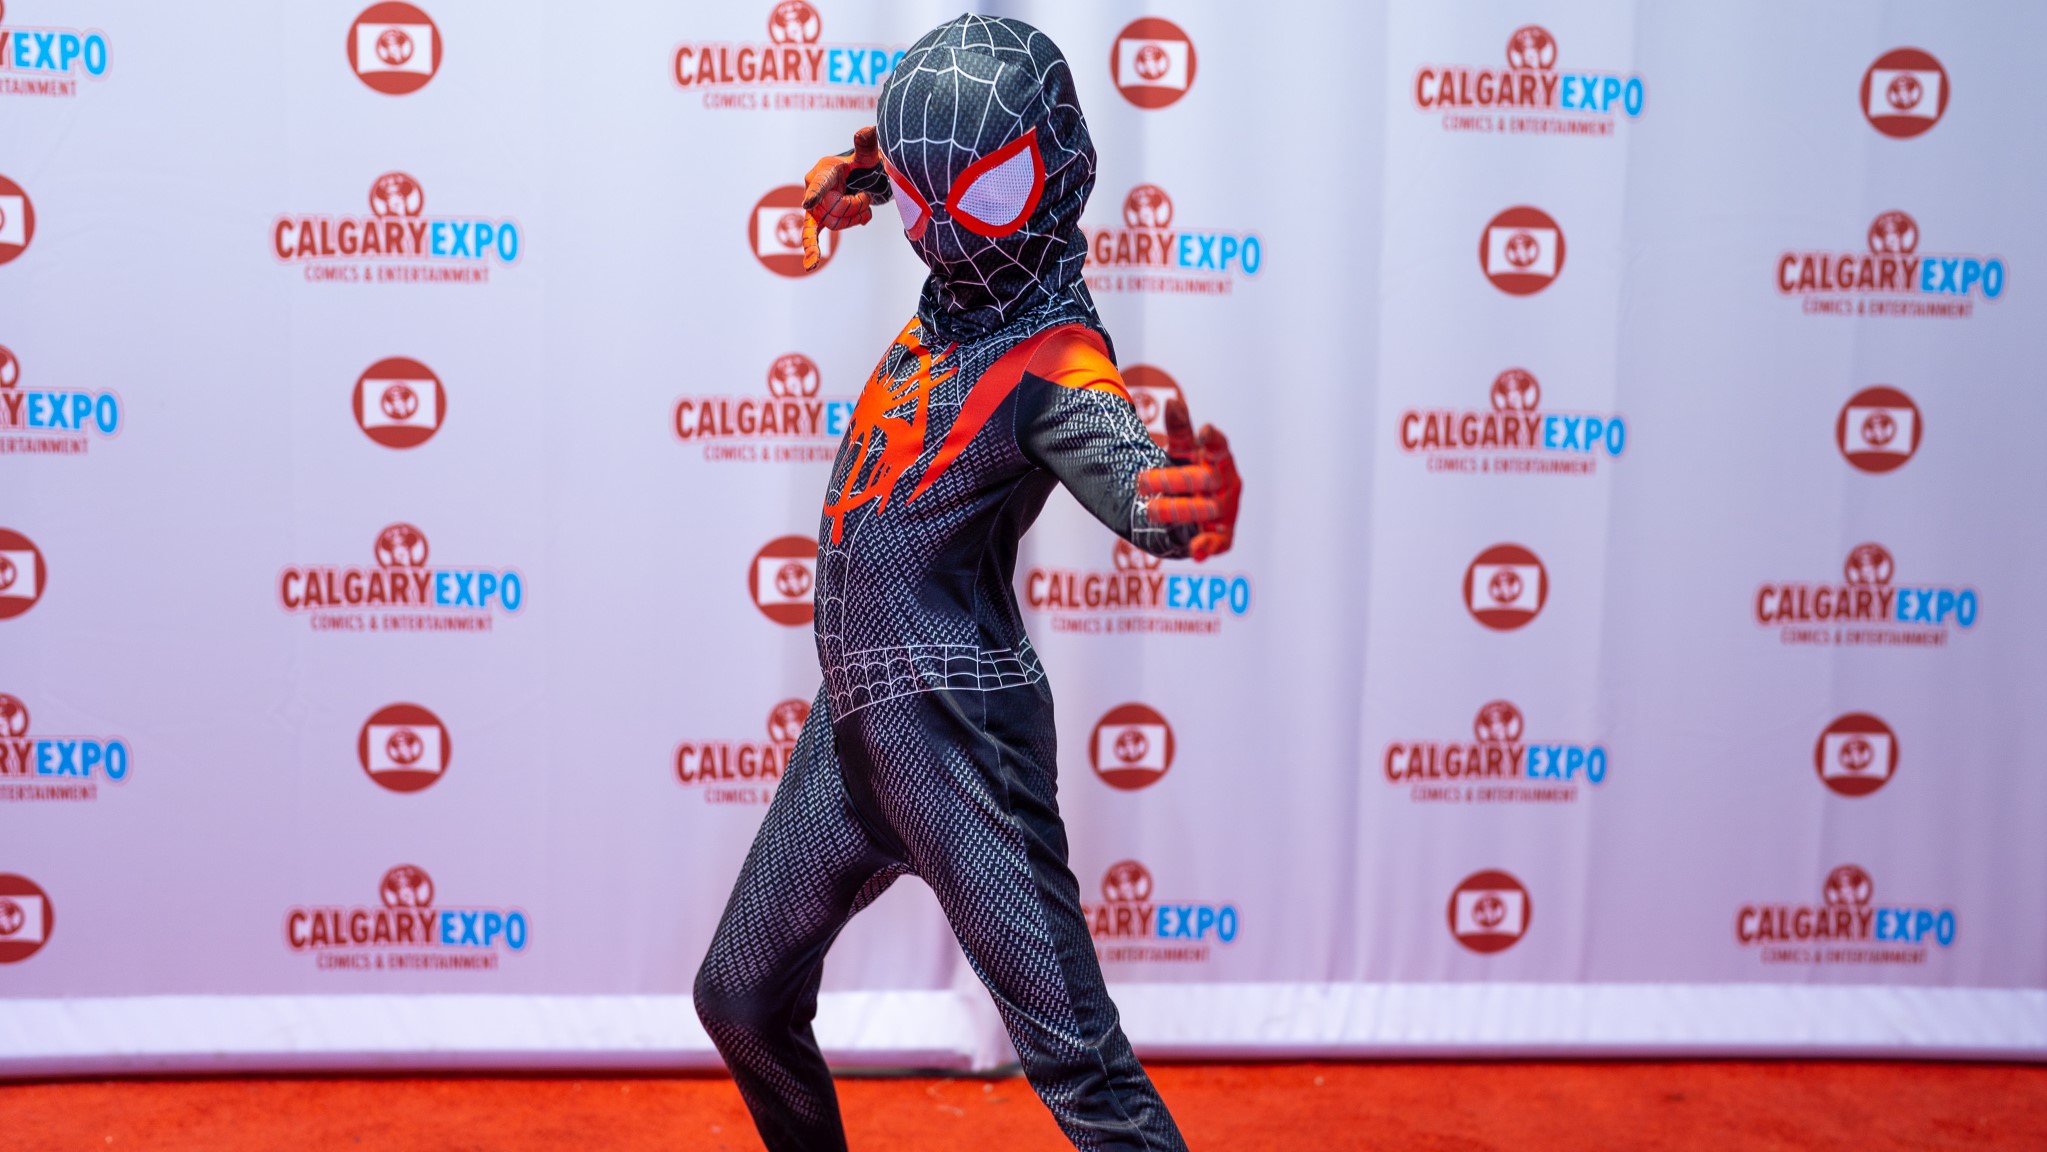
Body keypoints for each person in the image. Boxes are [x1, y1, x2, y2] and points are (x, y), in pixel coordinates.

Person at [693, 15, 1240, 1151]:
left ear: (1060, 173)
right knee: (740, 999)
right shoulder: (953, 295)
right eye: (918, 196)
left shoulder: (1052, 357)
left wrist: (1179, 508)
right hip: (853, 728)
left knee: (1080, 1069)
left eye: (982, 196)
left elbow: (1128, 474)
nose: (941, 230)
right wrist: (862, 176)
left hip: (957, 735)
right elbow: (925, 176)